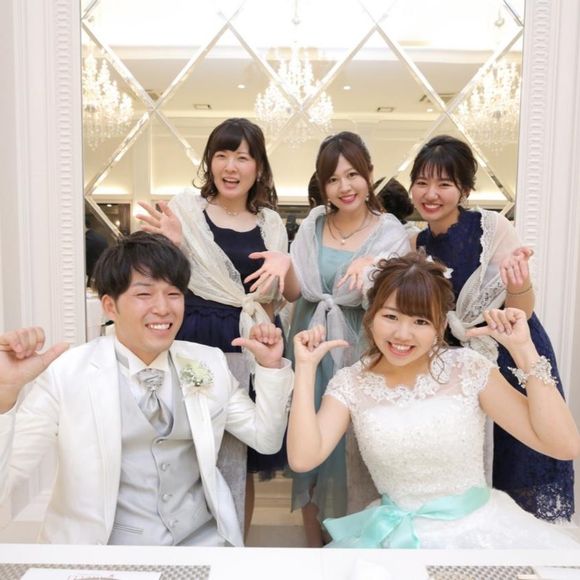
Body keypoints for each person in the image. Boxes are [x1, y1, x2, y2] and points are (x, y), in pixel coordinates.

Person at [0, 232, 293, 546]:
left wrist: (270, 368)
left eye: (173, 293)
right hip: (102, 553)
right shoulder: (67, 373)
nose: (163, 308)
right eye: (144, 294)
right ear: (110, 306)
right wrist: (5, 394)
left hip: (201, 544)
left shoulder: (209, 362)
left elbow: (266, 440)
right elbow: (9, 474)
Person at [287, 252, 580, 549]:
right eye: (391, 316)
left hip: (479, 535)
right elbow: (302, 459)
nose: (403, 334)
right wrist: (306, 369)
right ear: (371, 316)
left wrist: (524, 350)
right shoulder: (351, 383)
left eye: (420, 321)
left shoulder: (468, 369)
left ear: (440, 326)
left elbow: (565, 445)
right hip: (396, 537)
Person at [248, 132, 410, 546]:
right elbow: (296, 293)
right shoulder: (314, 223)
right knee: (310, 446)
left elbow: (394, 298)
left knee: (356, 448)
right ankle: (314, 550)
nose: (344, 187)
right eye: (333, 179)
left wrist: (375, 266)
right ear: (322, 185)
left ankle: (356, 548)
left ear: (369, 174)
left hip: (361, 351)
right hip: (309, 345)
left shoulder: (389, 231)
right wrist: (285, 266)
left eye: (352, 175)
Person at [410, 134, 574, 522]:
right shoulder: (415, 242)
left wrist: (519, 283)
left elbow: (521, 311)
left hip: (507, 353)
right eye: (422, 182)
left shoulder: (490, 227)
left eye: (444, 184)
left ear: (464, 189)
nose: (431, 194)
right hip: (458, 365)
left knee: (518, 456)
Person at [136, 118, 289, 536]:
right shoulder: (186, 211)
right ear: (209, 162)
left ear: (259, 166)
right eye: (221, 155)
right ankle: (179, 543)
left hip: (247, 338)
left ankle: (237, 549)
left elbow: (275, 298)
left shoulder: (271, 223)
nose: (230, 166)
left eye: (242, 157)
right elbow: (161, 278)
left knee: (240, 455)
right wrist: (173, 244)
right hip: (193, 335)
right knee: (186, 448)